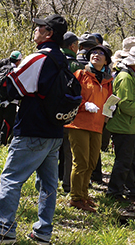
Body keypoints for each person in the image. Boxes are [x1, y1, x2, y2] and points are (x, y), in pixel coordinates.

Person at [0, 14, 68, 244]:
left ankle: (4, 230)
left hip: (32, 129)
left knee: (11, 179)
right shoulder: (62, 59)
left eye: (40, 27)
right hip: (55, 132)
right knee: (48, 185)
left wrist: (7, 72)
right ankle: (43, 232)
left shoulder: (39, 58)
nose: (35, 30)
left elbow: (11, 88)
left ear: (49, 33)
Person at [65, 43, 113, 212]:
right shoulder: (81, 74)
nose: (96, 55)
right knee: (81, 162)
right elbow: (70, 95)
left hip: (97, 125)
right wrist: (84, 105)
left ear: (106, 61)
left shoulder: (108, 81)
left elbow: (108, 101)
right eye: (94, 52)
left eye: (101, 53)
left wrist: (111, 108)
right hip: (79, 124)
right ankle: (76, 198)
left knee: (92, 163)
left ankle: (84, 195)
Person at [105, 44, 135, 204]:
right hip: (123, 126)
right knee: (123, 161)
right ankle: (114, 192)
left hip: (132, 126)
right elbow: (125, 104)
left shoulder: (134, 76)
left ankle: (131, 189)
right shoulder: (125, 77)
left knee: (132, 160)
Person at [59, 32, 83, 193]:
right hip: (70, 114)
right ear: (73, 46)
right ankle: (67, 184)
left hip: (51, 113)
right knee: (69, 151)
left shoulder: (53, 60)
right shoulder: (76, 66)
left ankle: (48, 182)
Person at [0, 51, 23, 146]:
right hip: (11, 102)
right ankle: (3, 143)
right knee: (7, 123)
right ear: (18, 61)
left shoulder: (1, 70)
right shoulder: (15, 71)